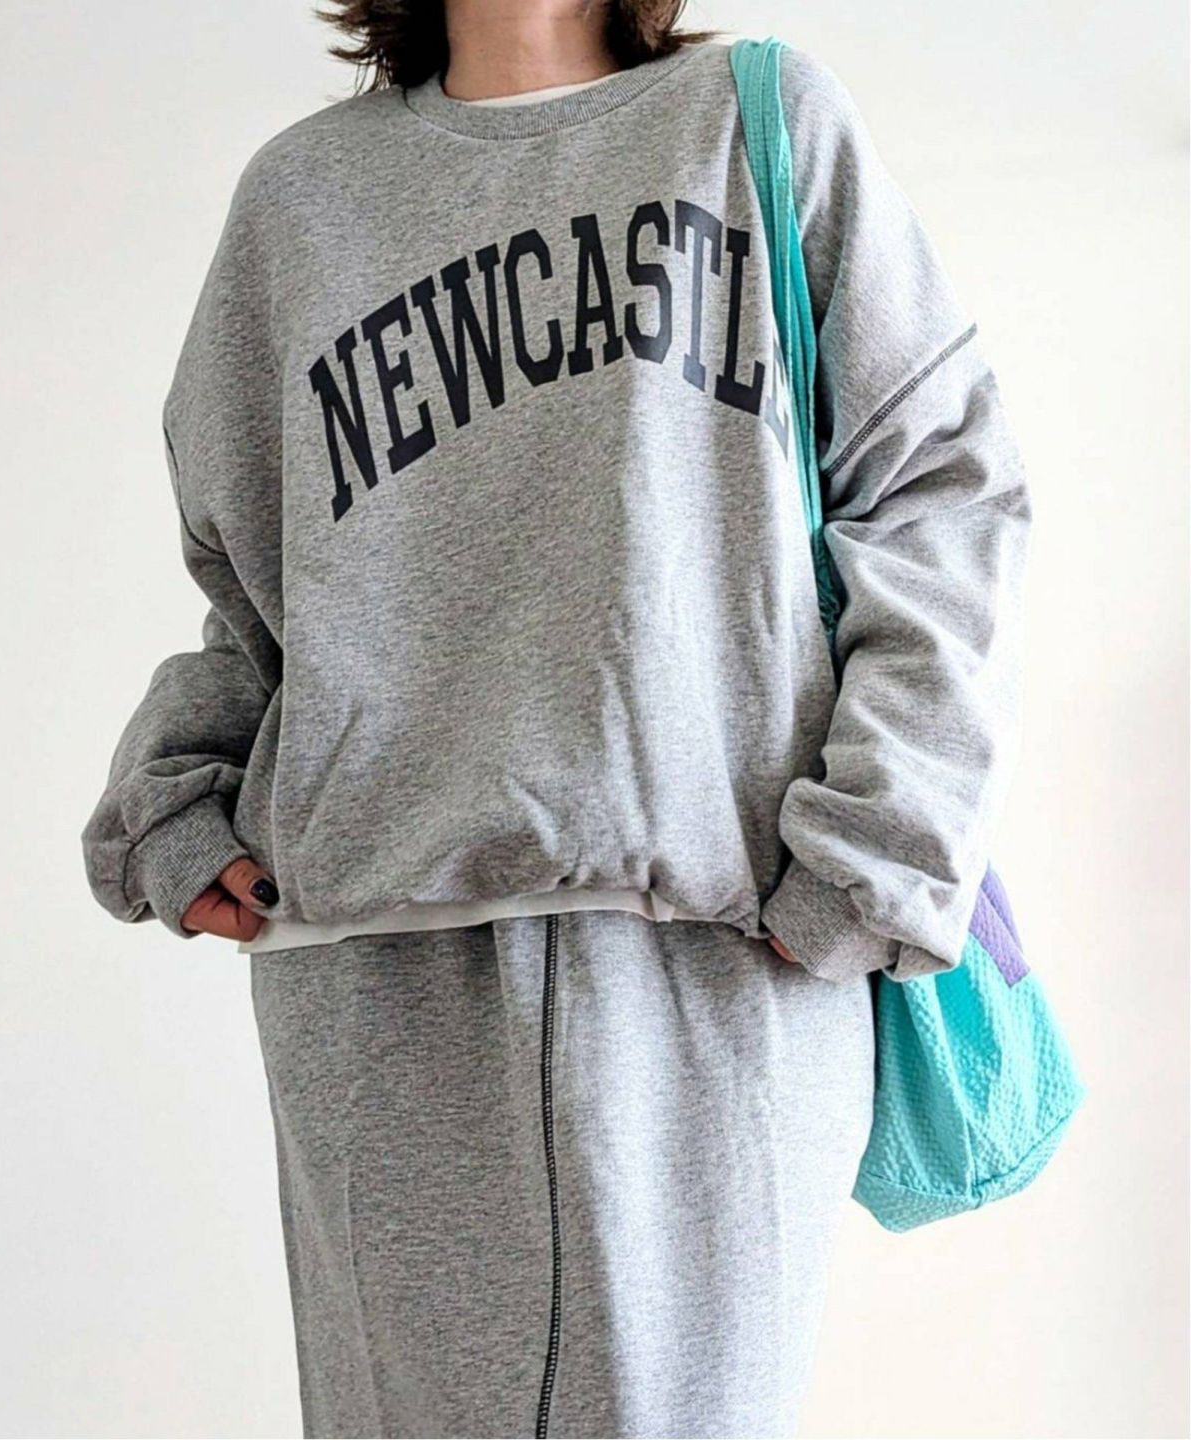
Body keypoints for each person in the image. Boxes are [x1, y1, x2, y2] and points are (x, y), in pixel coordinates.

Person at [80, 1, 1033, 1435]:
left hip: (715, 972)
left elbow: (941, 490)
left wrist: (879, 843)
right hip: (380, 992)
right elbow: (257, 598)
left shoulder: (756, 122)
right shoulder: (302, 199)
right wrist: (176, 799)